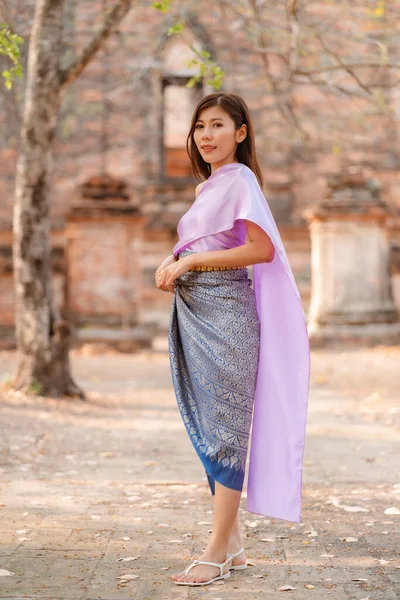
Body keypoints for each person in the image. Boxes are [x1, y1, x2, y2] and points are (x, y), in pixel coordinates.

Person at [155, 92, 310, 587]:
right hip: (198, 315)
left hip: (228, 321)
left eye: (218, 125)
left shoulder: (241, 179)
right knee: (209, 425)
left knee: (226, 433)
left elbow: (260, 248)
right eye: (200, 125)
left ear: (240, 133)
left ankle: (217, 548)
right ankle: (235, 543)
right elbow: (205, 242)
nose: (205, 135)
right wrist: (173, 260)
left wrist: (191, 262)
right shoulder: (211, 186)